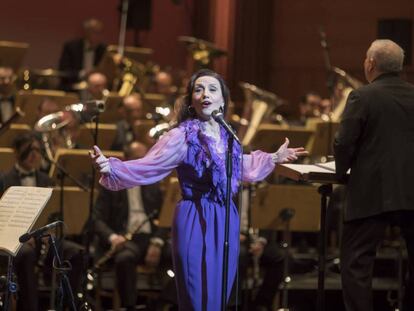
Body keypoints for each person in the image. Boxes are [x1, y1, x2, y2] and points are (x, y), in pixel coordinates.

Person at [91, 69, 307, 311]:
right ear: (191, 100)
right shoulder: (181, 136)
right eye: (199, 89)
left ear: (223, 101)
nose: (205, 94)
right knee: (197, 293)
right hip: (195, 215)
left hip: (225, 216)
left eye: (213, 89)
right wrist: (110, 167)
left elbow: (239, 166)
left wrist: (274, 157)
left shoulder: (228, 136)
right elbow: (149, 165)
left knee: (218, 294)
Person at [334, 39, 414, 311]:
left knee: (357, 263)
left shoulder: (362, 96)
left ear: (370, 63)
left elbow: (344, 143)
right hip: (412, 192)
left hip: (372, 191)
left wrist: (341, 172)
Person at [0, 132, 84, 311]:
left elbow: (53, 215)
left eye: (37, 150)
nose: (34, 155)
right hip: (15, 240)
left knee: (76, 253)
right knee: (27, 253)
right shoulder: (4, 180)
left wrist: (50, 231)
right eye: (28, 150)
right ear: (16, 153)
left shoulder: (47, 180)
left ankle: (67, 306)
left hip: (42, 238)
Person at [93, 141, 170, 310]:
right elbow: (96, 220)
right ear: (125, 159)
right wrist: (113, 238)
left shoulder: (153, 182)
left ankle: (166, 304)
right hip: (126, 238)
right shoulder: (110, 183)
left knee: (180, 253)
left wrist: (157, 242)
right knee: (125, 258)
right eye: (137, 159)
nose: (141, 163)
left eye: (144, 159)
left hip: (150, 239)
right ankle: (129, 307)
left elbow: (166, 217)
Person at [58, 18, 106, 91]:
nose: (97, 35)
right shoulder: (71, 47)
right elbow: (63, 72)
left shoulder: (104, 50)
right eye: (94, 32)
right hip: (73, 88)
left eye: (99, 32)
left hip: (95, 90)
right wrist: (83, 74)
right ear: (86, 32)